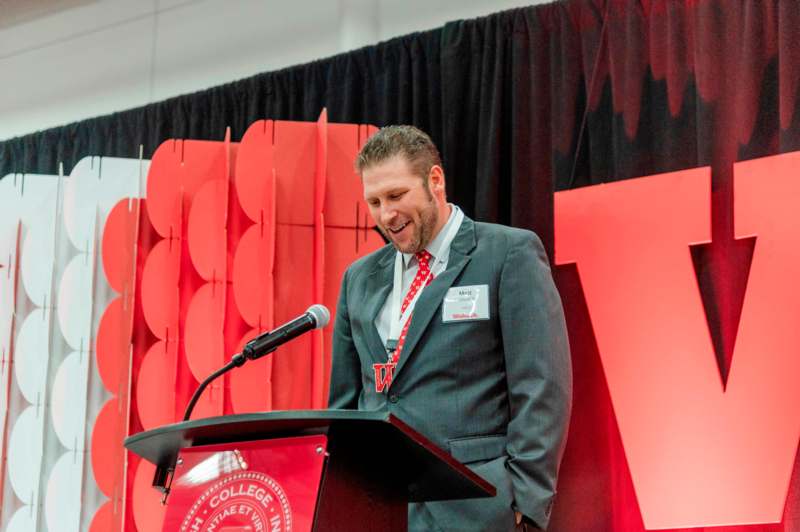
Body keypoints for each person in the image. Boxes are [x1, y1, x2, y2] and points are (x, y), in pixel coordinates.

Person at [328, 125, 571, 531]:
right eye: (374, 201)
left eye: (396, 195)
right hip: (381, 513)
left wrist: (526, 505)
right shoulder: (359, 278)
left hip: (478, 510)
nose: (386, 214)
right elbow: (345, 404)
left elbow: (542, 387)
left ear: (434, 180)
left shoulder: (507, 254)